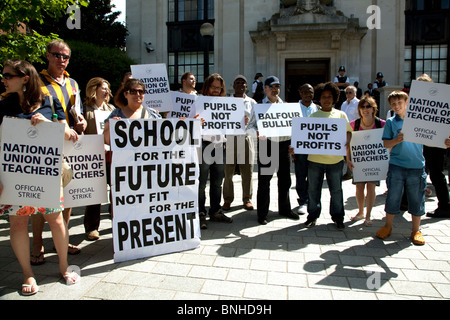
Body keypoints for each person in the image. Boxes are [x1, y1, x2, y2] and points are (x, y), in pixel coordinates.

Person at [0, 60, 80, 296]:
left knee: (55, 220)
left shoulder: (48, 102)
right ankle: (27, 273)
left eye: (7, 75)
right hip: (14, 174)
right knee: (17, 223)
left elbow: (69, 134)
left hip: (46, 172)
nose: (3, 79)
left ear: (24, 78)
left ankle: (64, 267)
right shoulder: (3, 105)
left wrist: (48, 123)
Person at [32, 40, 87, 263]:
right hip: (45, 143)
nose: (61, 60)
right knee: (41, 198)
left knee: (68, 196)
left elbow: (76, 109)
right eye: (56, 55)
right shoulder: (37, 81)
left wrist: (80, 119)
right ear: (47, 55)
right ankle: (37, 244)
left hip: (70, 141)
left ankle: (61, 239)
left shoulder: (73, 83)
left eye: (65, 57)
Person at [376, 91, 427, 245]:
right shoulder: (391, 122)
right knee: (393, 197)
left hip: (417, 166)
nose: (397, 106)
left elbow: (429, 140)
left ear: (407, 102)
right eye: (393, 104)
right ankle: (388, 226)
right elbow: (385, 144)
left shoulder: (419, 120)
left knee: (416, 199)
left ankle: (416, 230)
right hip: (397, 166)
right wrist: (396, 140)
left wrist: (444, 141)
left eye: (399, 102)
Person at [304, 82, 352, 230]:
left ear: (334, 98)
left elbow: (348, 131)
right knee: (313, 189)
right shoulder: (313, 116)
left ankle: (338, 217)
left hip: (335, 161)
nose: (326, 100)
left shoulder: (340, 115)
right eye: (323, 97)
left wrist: (348, 140)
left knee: (336, 190)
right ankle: (312, 216)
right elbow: (305, 137)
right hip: (314, 160)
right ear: (319, 98)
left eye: (329, 97)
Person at [256, 76, 298, 225]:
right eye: (272, 86)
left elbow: (295, 128)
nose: (275, 89)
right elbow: (251, 127)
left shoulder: (287, 106)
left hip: (284, 146)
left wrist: (294, 144)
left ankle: (285, 209)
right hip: (267, 146)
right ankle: (262, 214)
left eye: (277, 86)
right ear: (265, 88)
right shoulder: (259, 106)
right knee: (264, 181)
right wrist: (255, 132)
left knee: (285, 180)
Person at [197, 74, 233, 229]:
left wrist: (241, 122)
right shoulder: (198, 102)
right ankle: (199, 213)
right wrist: (196, 121)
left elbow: (231, 125)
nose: (216, 90)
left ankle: (215, 211)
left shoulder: (225, 103)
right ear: (207, 87)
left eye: (219, 88)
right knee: (201, 182)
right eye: (213, 87)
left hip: (220, 146)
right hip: (203, 145)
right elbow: (188, 122)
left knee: (218, 182)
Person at [82, 77, 115, 240]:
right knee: (94, 194)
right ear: (94, 89)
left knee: (115, 191)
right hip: (94, 157)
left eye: (108, 88)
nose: (107, 91)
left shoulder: (111, 109)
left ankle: (116, 221)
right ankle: (91, 227)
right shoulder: (85, 109)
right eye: (103, 88)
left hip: (111, 156)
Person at [348, 95, 386, 226]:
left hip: (375, 161)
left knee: (371, 187)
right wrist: (348, 159)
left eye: (368, 106)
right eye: (362, 107)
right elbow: (347, 143)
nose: (365, 109)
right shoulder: (354, 124)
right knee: (359, 187)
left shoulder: (382, 124)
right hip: (359, 161)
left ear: (373, 108)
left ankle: (368, 215)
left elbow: (387, 143)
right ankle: (360, 212)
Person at [416, 74, 450, 219]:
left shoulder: (442, 100)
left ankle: (445, 206)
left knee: (436, 174)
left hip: (438, 144)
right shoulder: (416, 102)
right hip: (423, 144)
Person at [222, 75, 257, 212]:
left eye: (243, 83)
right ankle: (227, 199)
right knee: (228, 171)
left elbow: (256, 124)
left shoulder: (252, 103)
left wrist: (249, 125)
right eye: (238, 82)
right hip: (230, 138)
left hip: (246, 138)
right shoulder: (226, 101)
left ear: (246, 87)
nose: (241, 85)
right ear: (234, 85)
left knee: (247, 170)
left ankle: (247, 199)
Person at [292, 84, 318, 215]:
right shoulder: (292, 109)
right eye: (305, 92)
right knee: (301, 176)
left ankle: (312, 200)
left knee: (313, 176)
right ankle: (303, 201)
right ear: (300, 93)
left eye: (311, 92)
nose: (308, 94)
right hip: (299, 149)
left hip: (315, 150)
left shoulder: (318, 109)